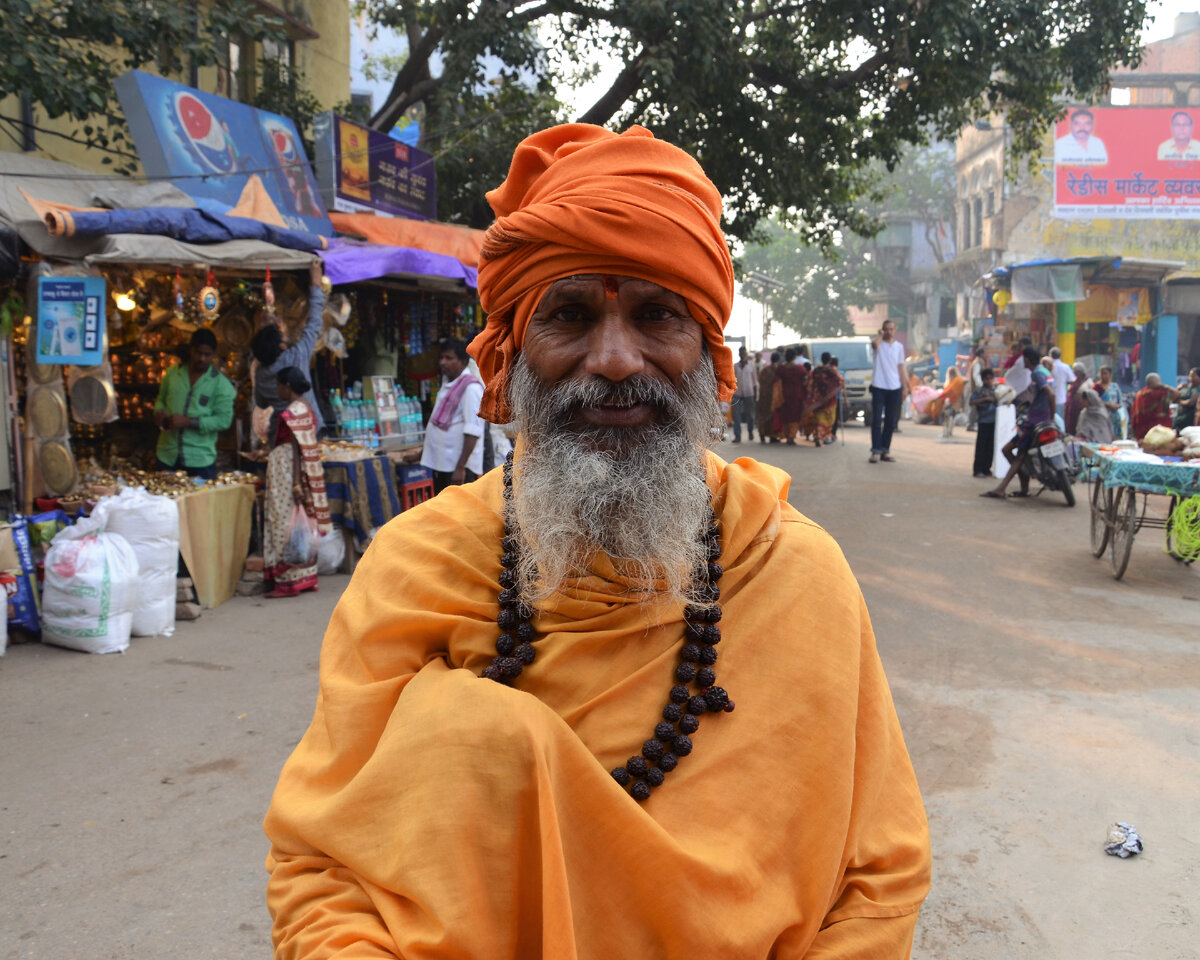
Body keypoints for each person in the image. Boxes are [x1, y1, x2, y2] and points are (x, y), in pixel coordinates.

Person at [264, 123, 930, 959]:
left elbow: (880, 875)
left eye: (658, 316)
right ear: (512, 355)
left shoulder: (795, 572)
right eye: (570, 315)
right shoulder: (416, 567)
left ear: (707, 356)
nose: (615, 360)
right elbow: (324, 865)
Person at [261, 366, 331, 599]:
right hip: (293, 469)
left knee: (282, 521)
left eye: (279, 385)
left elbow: (295, 450)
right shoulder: (306, 408)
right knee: (298, 522)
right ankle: (306, 577)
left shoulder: (292, 413)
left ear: (287, 386)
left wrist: (295, 483)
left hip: (286, 472)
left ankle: (287, 582)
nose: (277, 390)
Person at [251, 260, 328, 440]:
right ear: (282, 346)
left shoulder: (261, 374)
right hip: (308, 434)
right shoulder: (297, 356)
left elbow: (261, 403)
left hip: (279, 438)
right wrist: (316, 284)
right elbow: (314, 321)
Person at [153, 327, 236, 480]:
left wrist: (188, 422)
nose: (202, 359)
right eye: (198, 353)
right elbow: (160, 400)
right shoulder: (172, 374)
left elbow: (224, 421)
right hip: (167, 455)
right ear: (191, 350)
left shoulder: (222, 385)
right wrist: (159, 412)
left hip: (199, 459)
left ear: (214, 355)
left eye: (207, 354)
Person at [981, 346, 1055, 500]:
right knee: (1019, 453)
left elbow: (1050, 394)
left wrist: (1052, 416)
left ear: (1027, 359)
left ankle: (1002, 488)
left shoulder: (1036, 373)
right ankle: (1023, 487)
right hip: (1044, 418)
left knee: (1012, 451)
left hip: (1034, 420)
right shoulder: (1046, 372)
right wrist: (1052, 416)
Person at [420, 338, 485, 492]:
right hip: (443, 464)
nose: (443, 362)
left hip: (458, 468)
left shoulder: (471, 388)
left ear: (463, 362)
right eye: (441, 358)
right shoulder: (448, 384)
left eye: (449, 358)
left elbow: (473, 431)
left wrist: (460, 467)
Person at [869, 319, 908, 462]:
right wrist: (880, 335)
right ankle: (875, 451)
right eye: (886, 329)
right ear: (883, 330)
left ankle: (885, 450)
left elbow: (901, 367)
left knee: (891, 421)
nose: (889, 331)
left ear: (895, 330)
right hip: (879, 386)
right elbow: (874, 344)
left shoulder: (899, 347)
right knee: (877, 420)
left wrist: (905, 387)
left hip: (895, 387)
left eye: (891, 329)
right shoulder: (878, 344)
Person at [800, 351, 840, 447]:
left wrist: (810, 396)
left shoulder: (816, 370)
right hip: (830, 399)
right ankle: (825, 436)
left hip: (818, 399)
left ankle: (818, 436)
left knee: (818, 419)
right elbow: (839, 381)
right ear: (829, 360)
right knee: (829, 419)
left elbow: (810, 383)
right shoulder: (832, 371)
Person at [1131, 372, 1178, 440]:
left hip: (1142, 429)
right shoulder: (1159, 393)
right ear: (1154, 382)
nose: (1160, 383)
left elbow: (1134, 412)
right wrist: (1165, 386)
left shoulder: (1140, 393)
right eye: (1159, 381)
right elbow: (1177, 394)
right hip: (1159, 429)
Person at [970, 367, 998, 477]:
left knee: (990, 447)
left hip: (994, 422)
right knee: (981, 447)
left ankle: (987, 468)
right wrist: (985, 399)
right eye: (986, 379)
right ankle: (978, 470)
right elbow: (972, 402)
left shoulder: (996, 390)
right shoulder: (978, 391)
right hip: (983, 421)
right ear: (982, 379)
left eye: (991, 379)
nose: (989, 381)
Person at [928, 367, 965, 439]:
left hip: (953, 401)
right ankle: (949, 431)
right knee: (951, 416)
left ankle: (948, 431)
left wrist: (938, 397)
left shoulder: (956, 380)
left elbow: (948, 391)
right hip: (955, 401)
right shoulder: (956, 380)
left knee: (949, 416)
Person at [730, 345, 758, 443]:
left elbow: (754, 381)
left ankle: (750, 431)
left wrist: (755, 395)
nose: (742, 354)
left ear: (746, 354)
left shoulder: (751, 366)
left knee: (749, 415)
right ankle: (737, 435)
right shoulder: (735, 366)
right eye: (741, 353)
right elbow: (732, 380)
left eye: (744, 352)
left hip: (749, 393)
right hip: (737, 393)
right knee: (736, 415)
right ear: (739, 354)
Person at [756, 350, 782, 443]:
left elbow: (760, 380)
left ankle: (762, 434)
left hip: (764, 397)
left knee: (763, 415)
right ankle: (772, 436)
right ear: (778, 359)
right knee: (773, 416)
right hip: (774, 397)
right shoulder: (779, 370)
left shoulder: (765, 369)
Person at [1096, 365, 1124, 439]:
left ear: (1110, 375)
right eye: (1101, 374)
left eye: (1105, 373)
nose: (1103, 376)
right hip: (1101, 416)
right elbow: (1094, 401)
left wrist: (1116, 406)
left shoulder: (1115, 386)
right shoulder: (1097, 387)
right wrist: (1107, 405)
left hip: (1114, 416)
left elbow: (1120, 401)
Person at [1063, 362, 1091, 435]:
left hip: (1080, 407)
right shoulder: (1074, 380)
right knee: (1070, 424)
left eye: (1076, 371)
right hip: (1071, 407)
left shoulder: (1088, 381)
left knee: (1078, 423)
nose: (1074, 372)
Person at [1047, 347, 1076, 411]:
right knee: (1059, 419)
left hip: (1047, 399)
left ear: (1050, 355)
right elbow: (1072, 380)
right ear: (1060, 356)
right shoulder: (1065, 367)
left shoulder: (1046, 366)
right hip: (1061, 398)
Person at [1173, 367, 1200, 431]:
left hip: (1191, 419)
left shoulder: (1198, 389)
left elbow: (1191, 402)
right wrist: (1178, 388)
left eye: (1193, 376)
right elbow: (1172, 398)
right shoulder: (1185, 387)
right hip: (1179, 417)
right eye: (1190, 375)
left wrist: (1178, 401)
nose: (1190, 378)